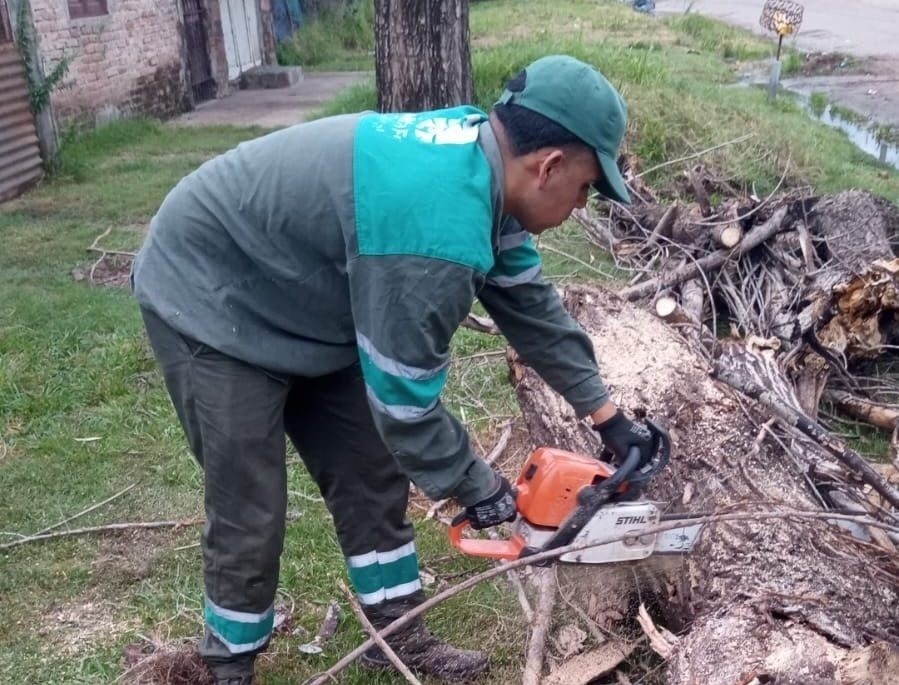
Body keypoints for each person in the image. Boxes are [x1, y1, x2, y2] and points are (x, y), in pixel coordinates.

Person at [131, 54, 655, 685]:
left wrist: (609, 417)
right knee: (251, 498)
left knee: (369, 470)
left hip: (305, 294)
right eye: (584, 189)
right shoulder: (435, 231)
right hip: (211, 294)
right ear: (548, 167)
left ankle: (398, 634)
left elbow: (533, 311)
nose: (579, 206)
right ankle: (226, 667)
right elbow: (405, 406)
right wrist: (476, 482)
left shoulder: (485, 173)